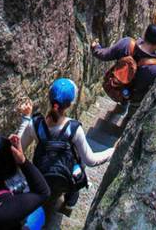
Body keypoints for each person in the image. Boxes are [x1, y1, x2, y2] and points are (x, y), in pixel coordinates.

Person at [17, 79, 113, 216]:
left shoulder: (35, 125)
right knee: (79, 168)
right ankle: (68, 205)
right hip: (66, 177)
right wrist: (112, 151)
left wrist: (26, 119)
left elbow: (17, 149)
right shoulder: (73, 129)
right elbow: (91, 160)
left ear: (48, 97)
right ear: (70, 104)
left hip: (40, 176)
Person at [91, 24, 156, 111]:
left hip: (113, 83)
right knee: (131, 101)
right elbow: (141, 91)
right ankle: (125, 110)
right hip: (130, 96)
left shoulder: (126, 44)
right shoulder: (155, 69)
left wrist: (96, 47)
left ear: (145, 33)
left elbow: (104, 55)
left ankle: (123, 103)